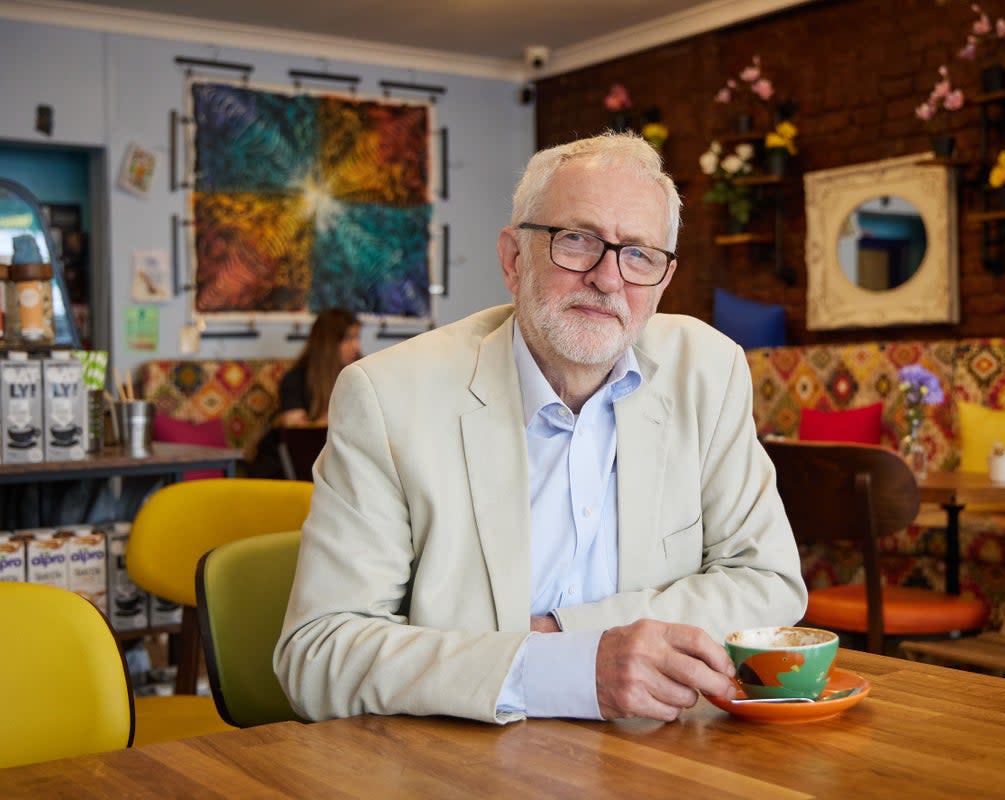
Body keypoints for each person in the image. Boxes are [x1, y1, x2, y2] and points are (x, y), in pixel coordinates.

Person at [274, 132, 806, 725]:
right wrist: (563, 672)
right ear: (512, 258)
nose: (609, 278)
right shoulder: (388, 396)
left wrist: (567, 636)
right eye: (576, 240)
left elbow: (767, 581)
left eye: (639, 254)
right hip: (462, 762)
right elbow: (317, 654)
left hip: (661, 748)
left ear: (662, 281)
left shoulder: (709, 370)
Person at [245, 308, 361, 478]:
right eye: (348, 339)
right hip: (287, 469)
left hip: (331, 465)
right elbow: (297, 429)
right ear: (327, 343)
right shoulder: (296, 378)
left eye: (357, 338)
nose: (356, 346)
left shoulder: (358, 376)